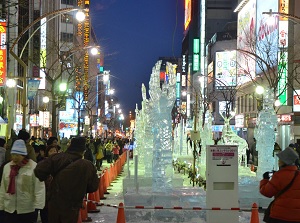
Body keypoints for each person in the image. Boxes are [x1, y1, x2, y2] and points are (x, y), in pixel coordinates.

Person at [34, 137, 99, 223]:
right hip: (72, 205)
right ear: (83, 151)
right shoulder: (87, 165)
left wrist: (49, 180)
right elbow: (93, 187)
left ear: (70, 147)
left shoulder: (57, 158)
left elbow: (39, 170)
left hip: (54, 202)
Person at [0, 139, 45, 223]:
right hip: (9, 208)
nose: (15, 157)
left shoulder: (33, 167)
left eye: (18, 155)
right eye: (13, 154)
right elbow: (3, 187)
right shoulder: (7, 167)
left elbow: (39, 187)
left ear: (24, 155)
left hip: (27, 209)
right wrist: (1, 205)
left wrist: (38, 206)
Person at [260, 146, 300, 223]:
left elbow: (266, 192)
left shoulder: (279, 175)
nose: (278, 161)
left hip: (280, 215)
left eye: (280, 160)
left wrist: (265, 180)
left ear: (284, 161)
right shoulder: (298, 175)